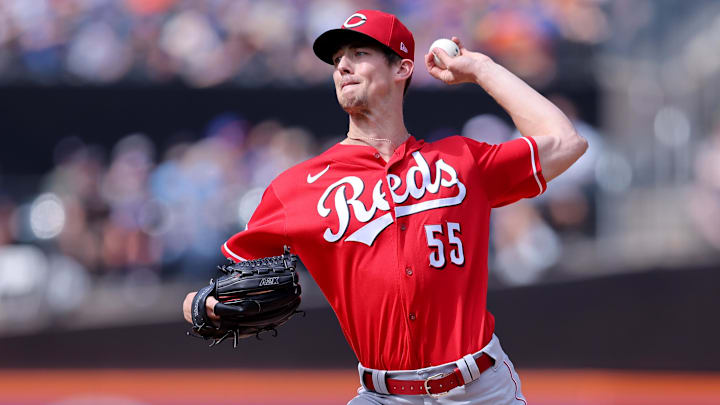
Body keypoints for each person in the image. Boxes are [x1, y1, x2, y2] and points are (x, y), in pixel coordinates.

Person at [183, 9, 587, 404]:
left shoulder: (461, 161)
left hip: (480, 390)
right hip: (382, 395)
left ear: (401, 68)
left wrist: (480, 68)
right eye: (337, 59)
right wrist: (201, 306)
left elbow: (566, 142)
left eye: (359, 54)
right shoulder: (298, 188)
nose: (343, 66)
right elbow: (224, 287)